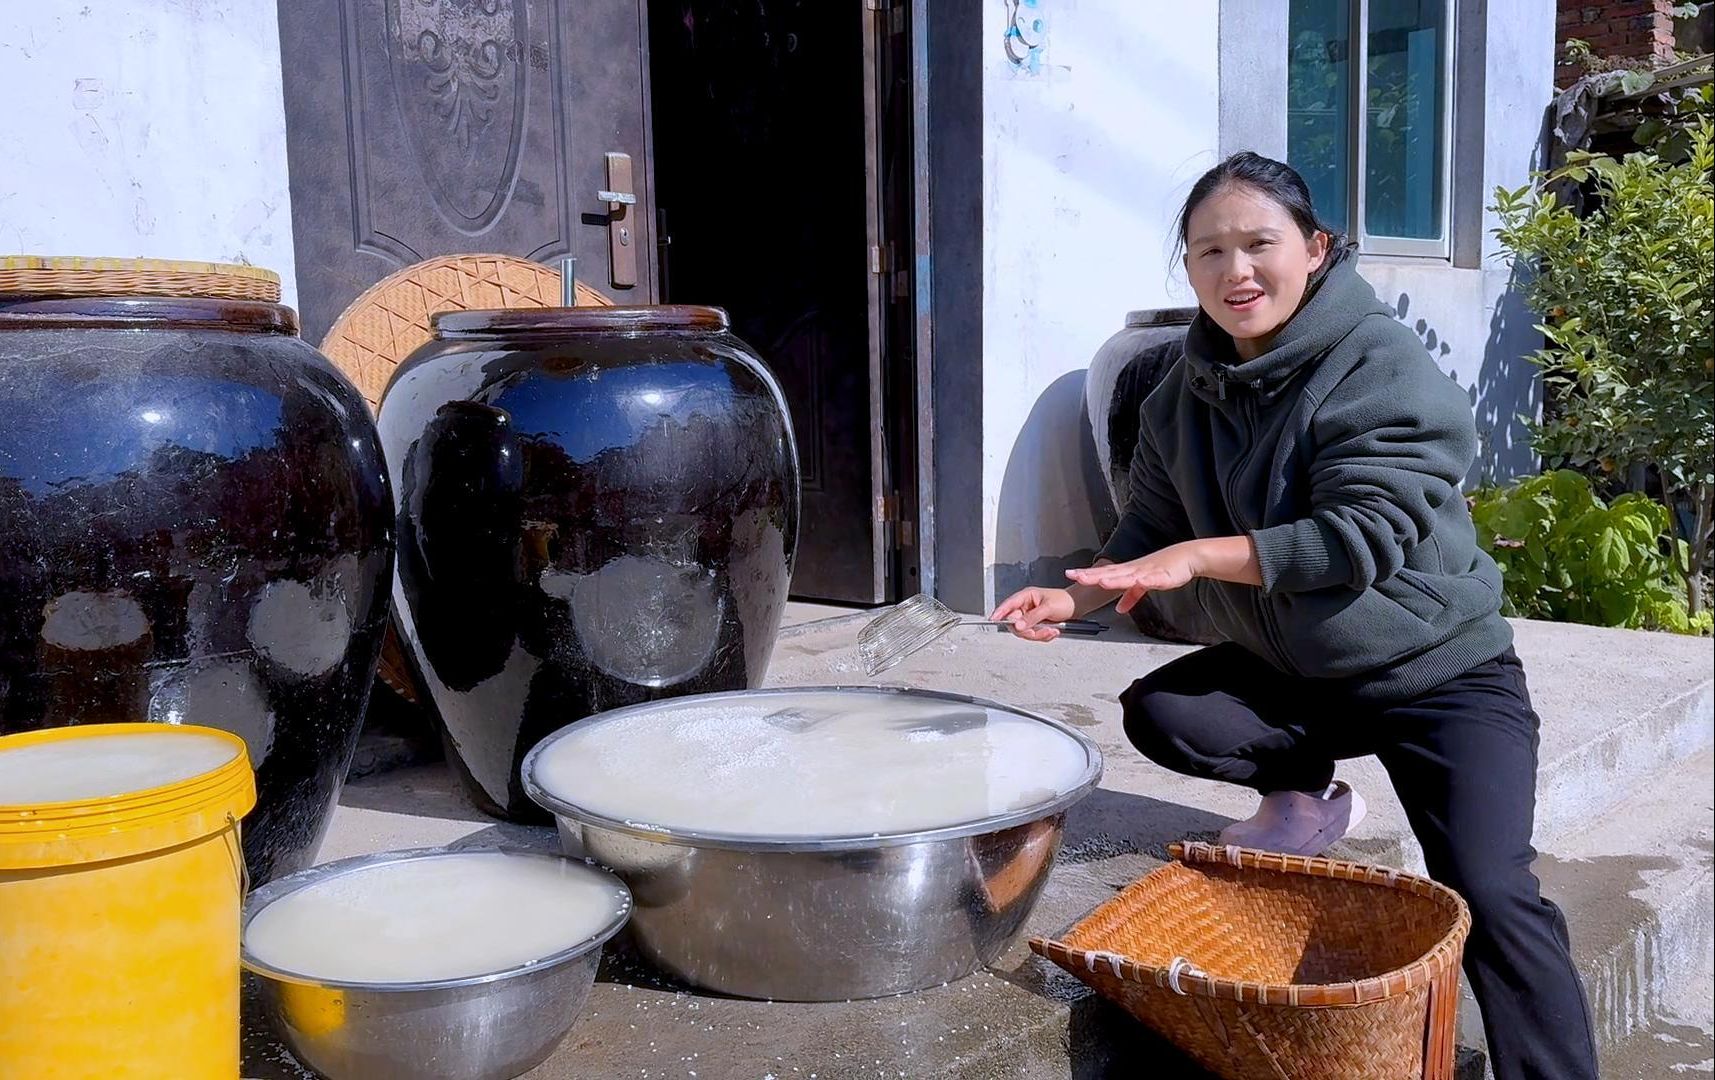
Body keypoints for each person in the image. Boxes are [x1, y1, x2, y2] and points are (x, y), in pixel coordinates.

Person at [992, 151, 1597, 1080]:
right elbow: (1147, 527)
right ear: (1187, 269)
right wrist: (1068, 593)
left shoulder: (1383, 366)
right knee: (1166, 712)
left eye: (1257, 244)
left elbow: (1362, 537)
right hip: (1301, 673)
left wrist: (1198, 557)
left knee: (1490, 889)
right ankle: (1305, 794)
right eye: (1208, 252)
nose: (1235, 272)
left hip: (1439, 675)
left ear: (1314, 249)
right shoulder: (1176, 393)